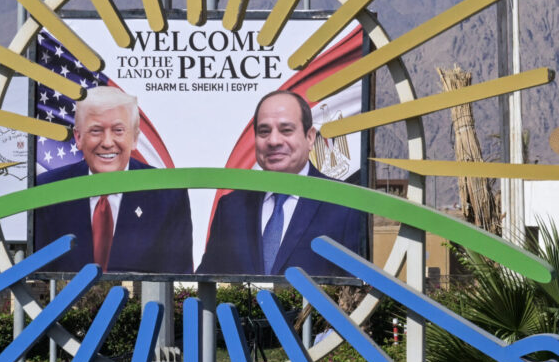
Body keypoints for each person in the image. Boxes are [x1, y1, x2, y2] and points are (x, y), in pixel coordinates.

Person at [197, 90, 365, 277]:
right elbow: (206, 283)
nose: (274, 141)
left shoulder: (345, 207)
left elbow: (356, 291)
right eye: (264, 131)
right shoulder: (230, 208)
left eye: (286, 130)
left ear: (310, 137)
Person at [36, 87, 192, 274]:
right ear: (78, 137)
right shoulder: (48, 190)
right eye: (96, 131)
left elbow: (177, 280)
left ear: (134, 138)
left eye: (118, 130)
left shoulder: (168, 195)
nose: (108, 142)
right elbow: (39, 276)